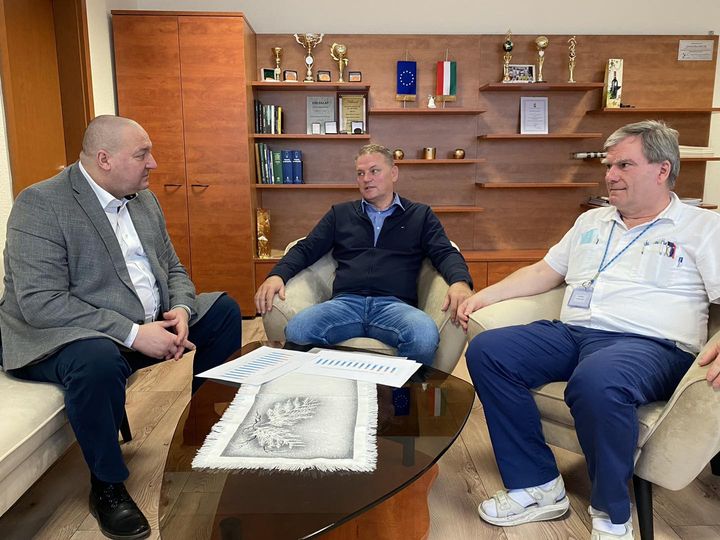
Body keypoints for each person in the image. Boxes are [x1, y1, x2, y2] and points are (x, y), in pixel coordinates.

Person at [458, 120, 720, 540]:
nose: (610, 175)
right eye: (608, 165)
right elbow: (545, 272)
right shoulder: (592, 222)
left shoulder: (703, 228)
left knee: (597, 380)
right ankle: (539, 485)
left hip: (651, 345)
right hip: (575, 334)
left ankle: (612, 514)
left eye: (623, 165)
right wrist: (484, 296)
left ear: (662, 170)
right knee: (489, 350)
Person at [0, 115, 242, 540]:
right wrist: (134, 333)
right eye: (142, 154)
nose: (153, 163)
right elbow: (42, 303)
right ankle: (107, 487)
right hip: (59, 334)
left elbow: (173, 268)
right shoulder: (40, 204)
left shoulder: (143, 200)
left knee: (222, 310)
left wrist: (181, 310)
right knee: (96, 358)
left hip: (142, 323)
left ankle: (199, 435)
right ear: (104, 159)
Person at [255, 143, 473, 364]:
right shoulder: (340, 214)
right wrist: (277, 275)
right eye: (360, 173)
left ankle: (401, 389)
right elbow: (306, 248)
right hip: (345, 304)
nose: (366, 178)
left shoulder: (420, 215)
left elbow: (445, 252)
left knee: (423, 337)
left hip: (395, 306)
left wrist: (460, 282)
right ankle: (327, 385)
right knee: (298, 331)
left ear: (394, 173)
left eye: (374, 171)